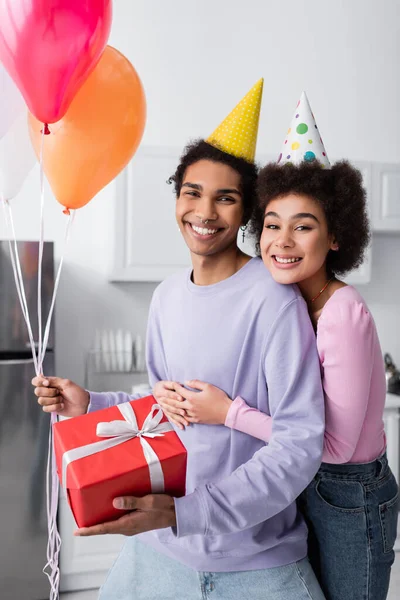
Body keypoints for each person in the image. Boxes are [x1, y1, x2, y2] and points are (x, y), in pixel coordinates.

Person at [33, 81, 327, 600]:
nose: (205, 212)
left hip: (255, 561)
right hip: (161, 546)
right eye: (192, 192)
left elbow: (299, 443)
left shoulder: (274, 300)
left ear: (246, 213)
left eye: (226, 198)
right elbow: (164, 408)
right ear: (176, 196)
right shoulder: (167, 296)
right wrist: (91, 404)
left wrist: (192, 510)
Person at [156, 92, 399, 600]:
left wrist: (229, 413)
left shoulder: (341, 313)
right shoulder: (293, 299)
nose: (283, 241)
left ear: (336, 236)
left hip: (350, 495)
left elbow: (326, 445)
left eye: (303, 227)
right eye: (272, 225)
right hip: (310, 487)